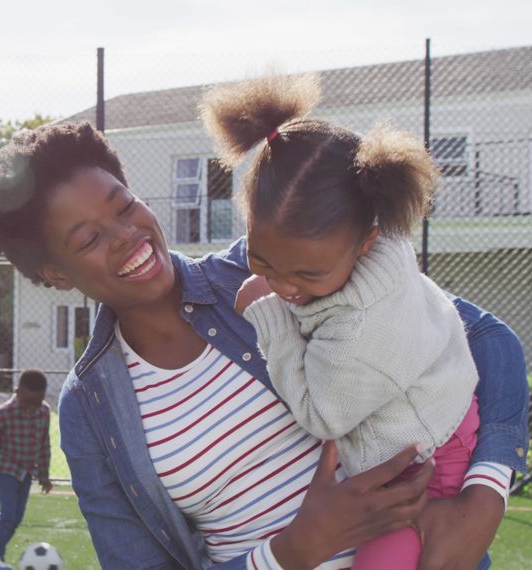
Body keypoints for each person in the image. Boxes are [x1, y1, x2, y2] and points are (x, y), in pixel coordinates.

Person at [0, 121, 528, 569]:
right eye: (89, 239)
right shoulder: (91, 408)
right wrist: (291, 553)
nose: (126, 235)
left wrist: (486, 493)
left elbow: (483, 336)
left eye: (123, 207)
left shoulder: (272, 271)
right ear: (56, 272)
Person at [201, 74, 483, 568]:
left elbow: (321, 415)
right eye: (263, 260)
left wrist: (269, 317)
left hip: (428, 464)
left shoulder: (363, 323)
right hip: (432, 421)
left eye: (307, 274)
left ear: (366, 242)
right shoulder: (364, 245)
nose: (286, 286)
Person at [0, 369, 54, 570]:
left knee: (16, 519)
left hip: (26, 472)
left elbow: (44, 444)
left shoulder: (44, 412)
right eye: (26, 403)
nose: (30, 408)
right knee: (8, 515)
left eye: (35, 403)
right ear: (17, 392)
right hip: (6, 468)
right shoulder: (4, 413)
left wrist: (44, 475)